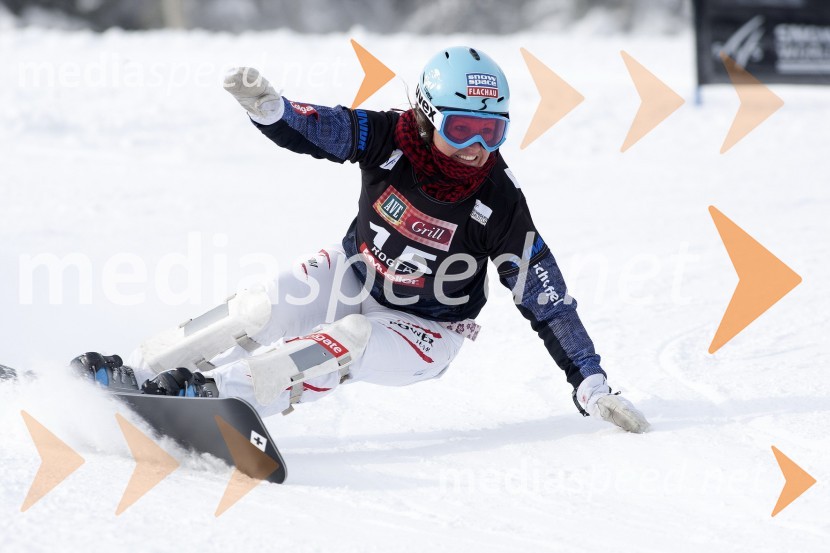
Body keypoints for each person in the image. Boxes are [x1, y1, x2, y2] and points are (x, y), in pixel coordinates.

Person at [73, 46, 649, 433]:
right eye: (461, 127)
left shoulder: (497, 201)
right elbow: (324, 128)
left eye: (492, 129)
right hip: (353, 271)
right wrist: (275, 112)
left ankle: (212, 400)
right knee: (255, 308)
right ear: (426, 118)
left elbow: (546, 298)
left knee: (342, 339)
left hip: (427, 330)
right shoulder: (391, 137)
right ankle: (141, 374)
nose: (478, 145)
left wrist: (590, 382)